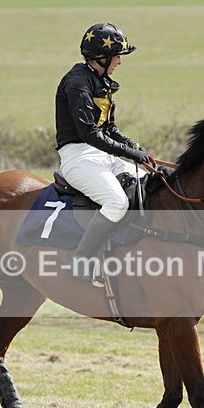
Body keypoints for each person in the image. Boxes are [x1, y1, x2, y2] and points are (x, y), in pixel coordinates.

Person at [55, 22, 153, 286]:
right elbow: (88, 133)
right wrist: (128, 152)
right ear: (102, 56)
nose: (120, 61)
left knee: (146, 183)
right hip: (78, 156)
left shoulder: (99, 81)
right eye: (117, 55)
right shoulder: (77, 82)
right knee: (117, 202)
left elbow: (109, 128)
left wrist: (136, 148)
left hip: (101, 153)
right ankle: (81, 260)